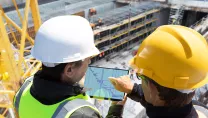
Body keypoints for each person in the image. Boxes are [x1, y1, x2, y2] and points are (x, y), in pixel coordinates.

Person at [14, 15, 125, 118]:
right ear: (69, 69)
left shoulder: (24, 89)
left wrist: (75, 87)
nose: (90, 62)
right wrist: (116, 107)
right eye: (88, 59)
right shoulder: (82, 114)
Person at [109, 25, 208, 118]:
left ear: (152, 89)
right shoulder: (201, 109)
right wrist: (133, 89)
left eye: (140, 76)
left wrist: (115, 108)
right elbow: (163, 105)